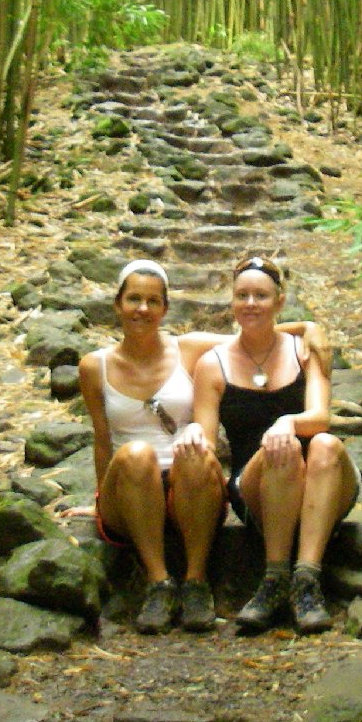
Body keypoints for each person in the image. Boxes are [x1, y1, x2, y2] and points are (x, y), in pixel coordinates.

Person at [193, 255, 357, 634]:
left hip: (320, 481)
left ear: (280, 302)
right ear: (232, 302)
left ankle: (306, 581)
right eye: (242, 296)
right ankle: (275, 578)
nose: (251, 303)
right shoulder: (212, 363)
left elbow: (320, 417)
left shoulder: (305, 351)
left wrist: (287, 422)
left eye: (261, 296)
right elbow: (206, 440)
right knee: (281, 452)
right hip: (256, 484)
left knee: (325, 444)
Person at [78, 260, 226, 634]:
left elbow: (254, 337)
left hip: (186, 483)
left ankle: (196, 582)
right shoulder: (94, 366)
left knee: (196, 451)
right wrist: (101, 496)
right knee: (136, 452)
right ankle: (158, 582)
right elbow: (102, 439)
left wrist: (305, 329)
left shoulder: (189, 349)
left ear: (165, 308)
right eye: (133, 299)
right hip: (130, 482)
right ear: (118, 304)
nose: (142, 309)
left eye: (153, 301)